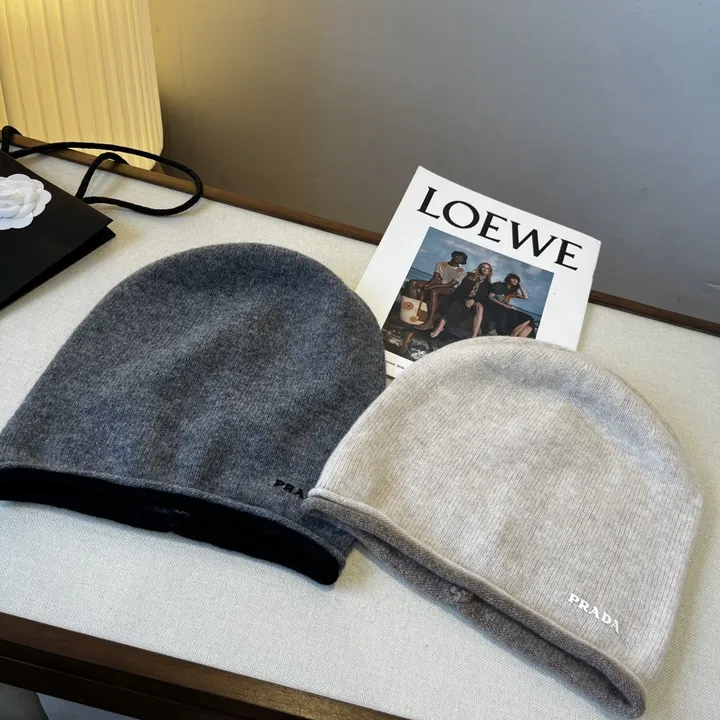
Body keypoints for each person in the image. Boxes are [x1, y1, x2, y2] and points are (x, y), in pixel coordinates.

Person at [428, 262, 493, 339]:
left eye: (487, 268)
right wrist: (467, 299)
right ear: (480, 268)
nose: (485, 269)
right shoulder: (470, 276)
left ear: (489, 271)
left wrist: (473, 300)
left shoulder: (488, 285)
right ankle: (439, 327)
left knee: (480, 308)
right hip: (463, 297)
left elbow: (484, 297)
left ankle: (473, 336)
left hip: (475, 301)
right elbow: (462, 288)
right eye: (483, 267)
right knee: (455, 304)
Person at [411, 251, 468, 329]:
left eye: (461, 258)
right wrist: (429, 285)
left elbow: (451, 284)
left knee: (434, 291)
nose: (458, 258)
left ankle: (430, 322)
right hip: (439, 284)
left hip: (450, 289)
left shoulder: (462, 272)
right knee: (413, 282)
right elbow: (435, 278)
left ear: (462, 261)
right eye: (457, 255)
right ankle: (414, 309)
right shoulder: (441, 264)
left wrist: (433, 286)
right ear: (453, 255)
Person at [486, 273, 535, 338]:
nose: (515, 280)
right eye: (513, 278)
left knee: (531, 323)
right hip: (494, 307)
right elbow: (490, 297)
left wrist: (520, 286)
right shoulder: (499, 285)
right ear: (508, 279)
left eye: (517, 280)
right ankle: (513, 336)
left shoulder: (511, 291)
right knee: (527, 318)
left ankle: (515, 339)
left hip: (503, 309)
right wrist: (505, 306)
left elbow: (525, 297)